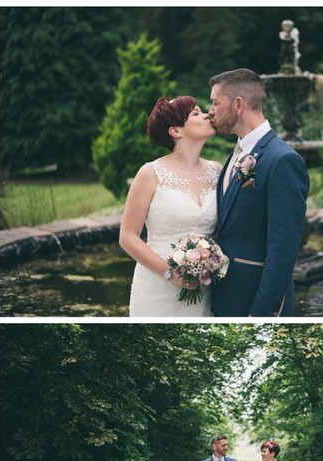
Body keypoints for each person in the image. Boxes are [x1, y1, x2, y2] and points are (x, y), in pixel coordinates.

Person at [207, 68, 309, 317]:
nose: (210, 111)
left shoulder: (282, 160)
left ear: (238, 105)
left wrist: (260, 315)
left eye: (215, 103)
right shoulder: (235, 154)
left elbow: (283, 251)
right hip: (224, 300)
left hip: (254, 304)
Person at [120, 96, 222, 317]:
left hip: (204, 287)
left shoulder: (217, 171)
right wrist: (171, 274)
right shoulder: (150, 173)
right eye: (195, 113)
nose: (206, 115)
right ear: (176, 131)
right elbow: (128, 236)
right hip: (157, 287)